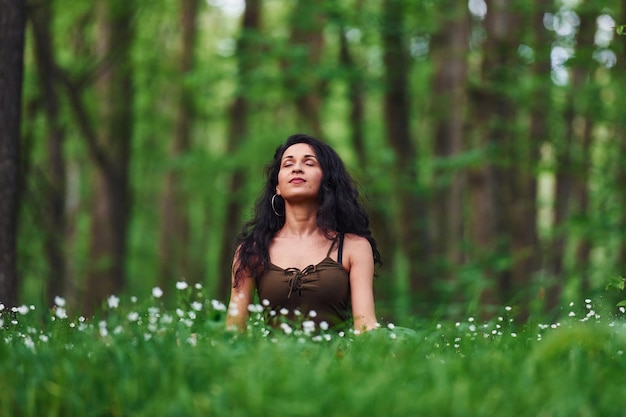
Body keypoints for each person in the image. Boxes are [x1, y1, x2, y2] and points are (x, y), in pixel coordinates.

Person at [226, 133, 382, 333]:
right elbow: (234, 331)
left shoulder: (354, 247)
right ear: (278, 187)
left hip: (336, 362)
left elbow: (366, 327)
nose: (297, 168)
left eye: (309, 163)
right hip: (271, 363)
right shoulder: (251, 250)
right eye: (288, 164)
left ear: (327, 179)